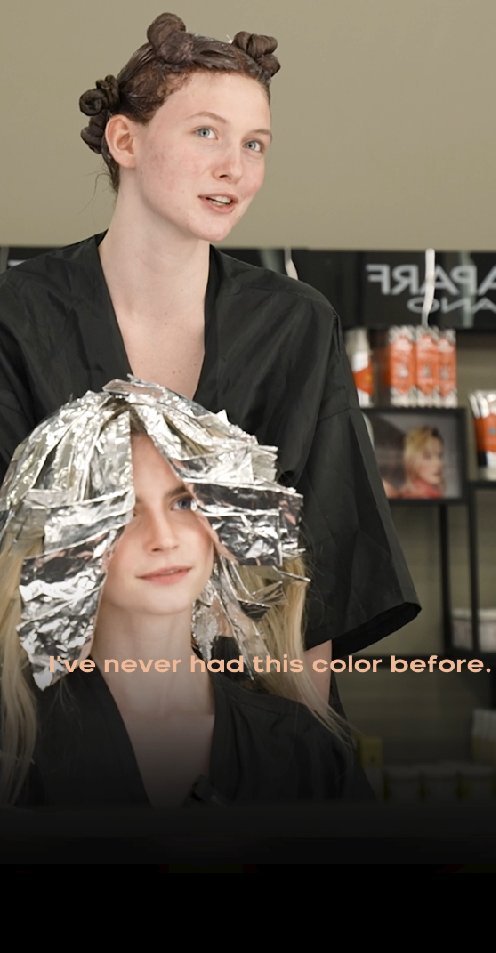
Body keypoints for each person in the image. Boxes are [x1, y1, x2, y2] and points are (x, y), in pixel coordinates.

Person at [0, 12, 419, 707]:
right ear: (125, 140)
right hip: (51, 723)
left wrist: (302, 750)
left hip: (253, 713)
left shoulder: (294, 326)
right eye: (205, 133)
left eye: (255, 144)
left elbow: (324, 571)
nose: (235, 168)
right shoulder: (18, 318)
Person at [0, 378, 373, 809]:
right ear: (68, 542)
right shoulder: (16, 752)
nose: (163, 538)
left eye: (183, 503)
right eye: (124, 511)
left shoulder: (300, 752)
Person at [399, 427, 445, 499]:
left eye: (439, 456)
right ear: (412, 461)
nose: (438, 463)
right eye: (427, 456)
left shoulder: (433, 493)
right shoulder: (415, 496)